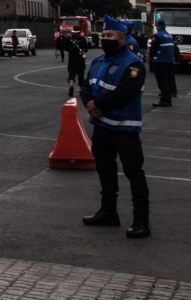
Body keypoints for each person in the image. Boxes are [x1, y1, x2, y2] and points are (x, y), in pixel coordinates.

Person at [80, 27, 151, 239]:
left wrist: (98, 104)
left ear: (122, 39)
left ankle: (141, 220)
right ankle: (108, 212)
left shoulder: (132, 63)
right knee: (105, 170)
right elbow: (86, 87)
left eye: (109, 36)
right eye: (103, 36)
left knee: (134, 174)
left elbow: (127, 93)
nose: (104, 39)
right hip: (102, 127)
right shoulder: (98, 62)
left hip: (125, 128)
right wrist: (90, 104)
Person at [148, 19, 176, 108]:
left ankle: (164, 100)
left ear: (158, 26)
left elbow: (153, 49)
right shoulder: (169, 36)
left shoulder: (158, 35)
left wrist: (151, 57)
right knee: (167, 81)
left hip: (160, 61)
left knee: (162, 82)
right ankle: (168, 99)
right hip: (170, 61)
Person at [66, 28, 90, 99]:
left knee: (71, 74)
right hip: (80, 59)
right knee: (81, 75)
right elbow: (86, 49)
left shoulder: (69, 39)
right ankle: (81, 90)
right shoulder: (82, 39)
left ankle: (71, 85)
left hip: (71, 59)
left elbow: (66, 48)